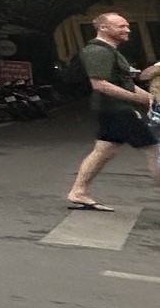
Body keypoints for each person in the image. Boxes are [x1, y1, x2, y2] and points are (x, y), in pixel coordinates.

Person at [64, 11, 160, 210]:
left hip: (113, 109)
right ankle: (78, 191)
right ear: (103, 28)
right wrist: (136, 99)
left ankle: (78, 192)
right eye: (121, 26)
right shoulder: (98, 51)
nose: (127, 29)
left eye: (127, 26)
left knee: (103, 151)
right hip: (116, 110)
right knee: (154, 149)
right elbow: (99, 84)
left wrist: (149, 98)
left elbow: (125, 84)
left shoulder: (112, 51)